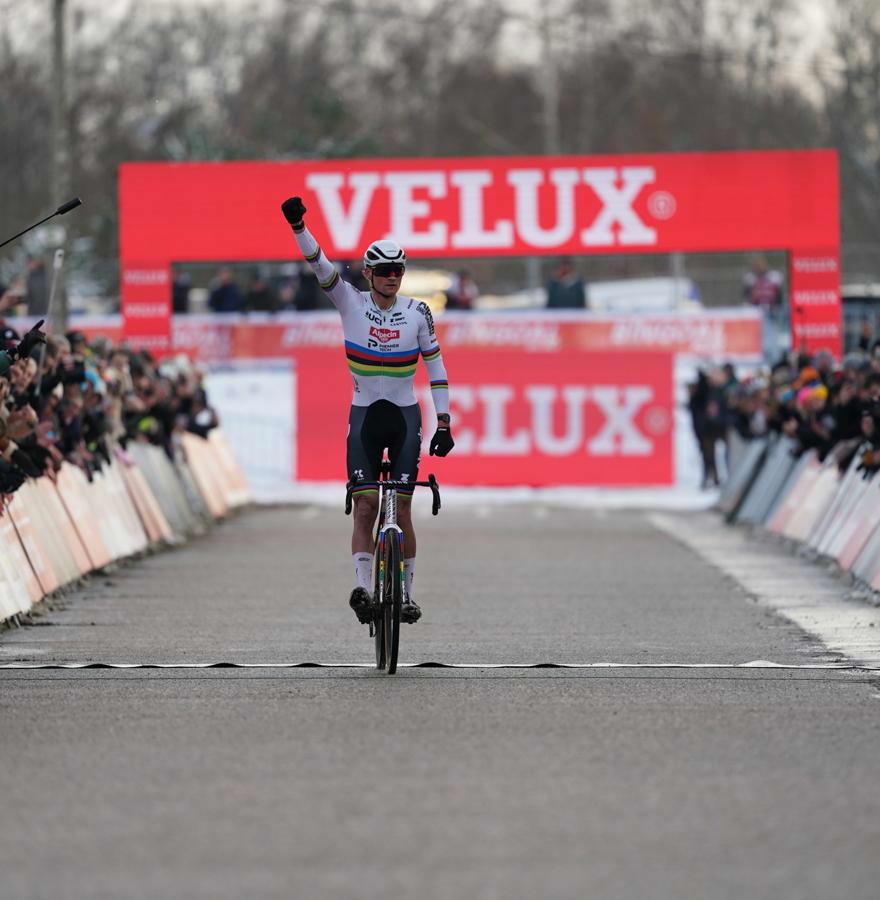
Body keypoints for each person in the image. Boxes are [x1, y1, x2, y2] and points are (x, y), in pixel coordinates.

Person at [281, 195, 454, 625]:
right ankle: (362, 587)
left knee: (404, 506)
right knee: (364, 508)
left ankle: (407, 595)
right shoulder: (350, 302)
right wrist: (299, 227)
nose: (393, 277)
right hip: (364, 418)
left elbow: (436, 367)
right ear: (368, 273)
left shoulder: (418, 312)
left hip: (404, 418)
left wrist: (445, 421)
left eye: (399, 270)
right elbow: (319, 265)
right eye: (385, 271)